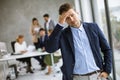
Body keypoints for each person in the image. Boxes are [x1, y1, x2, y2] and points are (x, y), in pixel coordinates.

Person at [45, 3, 112, 80]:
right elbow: (49, 49)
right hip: (77, 77)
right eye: (67, 18)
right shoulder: (63, 35)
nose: (71, 19)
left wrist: (107, 70)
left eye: (72, 15)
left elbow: (107, 49)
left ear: (77, 13)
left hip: (98, 75)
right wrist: (59, 24)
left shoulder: (93, 27)